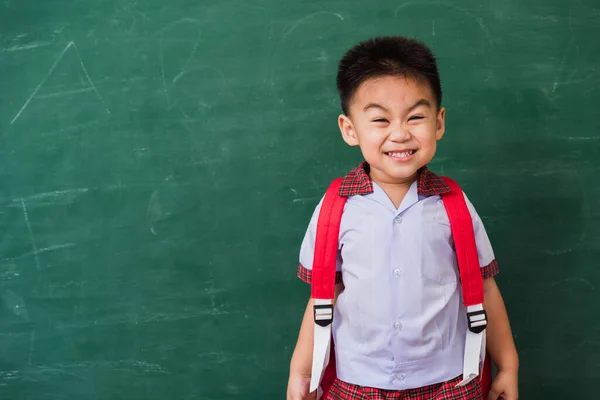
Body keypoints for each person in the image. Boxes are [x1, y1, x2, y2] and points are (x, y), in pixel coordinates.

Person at [286, 36, 519, 400]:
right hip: (358, 384)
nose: (400, 133)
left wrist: (507, 366)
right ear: (350, 129)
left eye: (415, 117)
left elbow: (485, 288)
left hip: (452, 382)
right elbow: (322, 296)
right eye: (380, 119)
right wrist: (301, 375)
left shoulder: (453, 205)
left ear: (439, 123)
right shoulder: (335, 208)